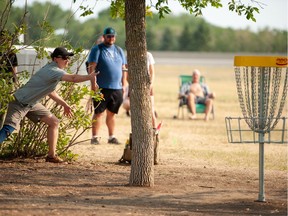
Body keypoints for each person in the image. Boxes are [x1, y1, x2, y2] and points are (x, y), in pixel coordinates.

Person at [0, 47, 97, 163]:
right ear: (56, 59)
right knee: (8, 129)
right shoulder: (53, 71)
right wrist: (89, 77)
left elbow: (50, 91)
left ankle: (51, 156)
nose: (68, 61)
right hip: (20, 102)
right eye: (65, 58)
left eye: (68, 58)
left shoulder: (53, 69)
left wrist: (64, 104)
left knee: (54, 122)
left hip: (31, 103)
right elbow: (73, 78)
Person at [87, 27, 127, 145]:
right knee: (99, 112)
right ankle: (94, 137)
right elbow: (91, 68)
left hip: (117, 88)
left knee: (112, 113)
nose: (111, 38)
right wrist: (93, 84)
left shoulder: (119, 50)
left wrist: (124, 84)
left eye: (113, 36)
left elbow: (123, 69)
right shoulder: (97, 49)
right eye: (108, 36)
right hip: (102, 87)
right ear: (104, 37)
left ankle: (111, 137)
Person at [122, 51, 157, 128]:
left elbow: (152, 72)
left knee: (151, 111)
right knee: (136, 113)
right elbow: (126, 74)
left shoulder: (148, 55)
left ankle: (154, 131)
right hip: (134, 87)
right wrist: (132, 84)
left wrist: (150, 85)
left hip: (147, 86)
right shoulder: (127, 56)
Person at [0, 30, 19, 128]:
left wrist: (15, 85)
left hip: (6, 86)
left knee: (3, 109)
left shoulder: (11, 54)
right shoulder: (10, 53)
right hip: (5, 85)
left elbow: (14, 71)